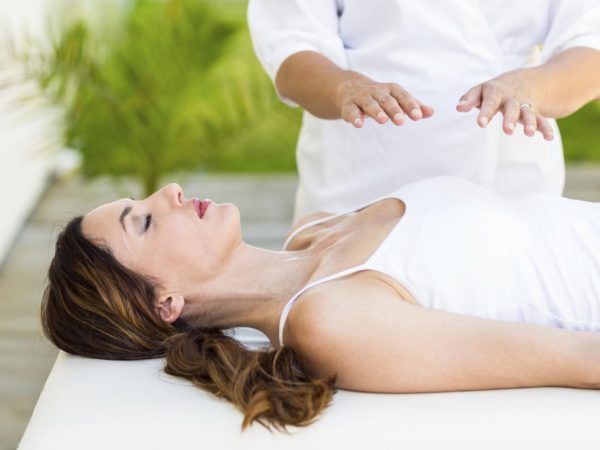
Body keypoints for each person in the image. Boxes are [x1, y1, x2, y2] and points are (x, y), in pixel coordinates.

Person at [42, 178, 600, 432]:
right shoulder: (331, 322)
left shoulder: (314, 231)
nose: (170, 193)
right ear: (166, 302)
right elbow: (580, 357)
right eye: (142, 220)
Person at [247, 0, 600, 220]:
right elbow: (292, 47)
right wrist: (342, 87)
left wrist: (533, 86)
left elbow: (590, 42)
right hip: (363, 181)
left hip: (509, 175)